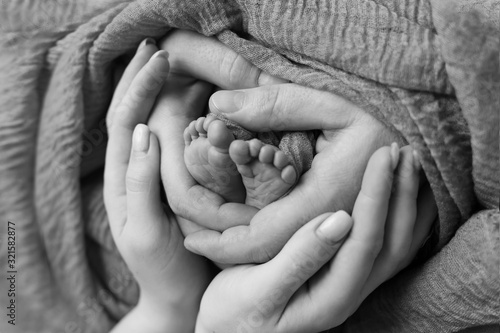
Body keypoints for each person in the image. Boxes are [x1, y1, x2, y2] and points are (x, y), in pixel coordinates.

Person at [104, 40, 436, 332]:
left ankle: (243, 192)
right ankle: (252, 194)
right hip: (245, 283)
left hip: (195, 268)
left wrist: (168, 303)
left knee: (233, 225)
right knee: (263, 238)